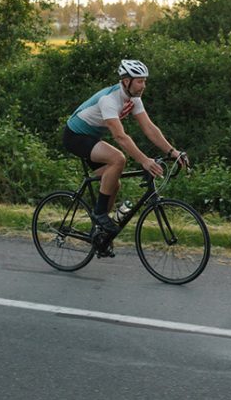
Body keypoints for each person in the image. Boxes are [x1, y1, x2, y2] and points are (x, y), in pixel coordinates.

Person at [62, 59, 189, 257]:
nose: (143, 86)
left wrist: (173, 151)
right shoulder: (109, 100)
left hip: (91, 137)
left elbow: (149, 128)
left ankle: (100, 233)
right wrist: (144, 160)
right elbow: (120, 137)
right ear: (126, 81)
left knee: (114, 182)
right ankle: (100, 214)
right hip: (75, 136)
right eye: (140, 81)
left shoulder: (133, 99)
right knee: (118, 159)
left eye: (145, 81)